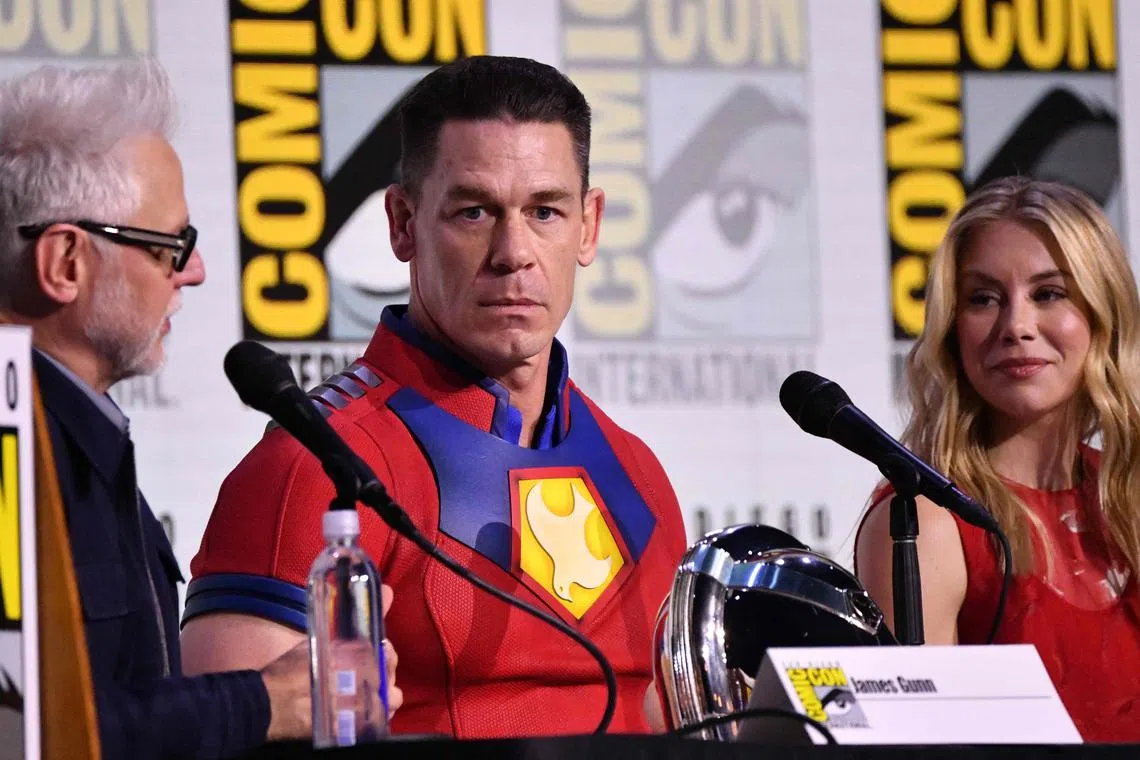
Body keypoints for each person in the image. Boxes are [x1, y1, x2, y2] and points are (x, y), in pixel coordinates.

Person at [180, 55, 688, 738]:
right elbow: (219, 739)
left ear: (589, 226)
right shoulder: (309, 472)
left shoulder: (640, 476)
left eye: (545, 211)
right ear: (402, 223)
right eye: (474, 211)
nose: (514, 252)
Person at [0, 59, 381, 758]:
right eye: (171, 246)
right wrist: (263, 703)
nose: (195, 271)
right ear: (64, 263)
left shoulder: (79, 436)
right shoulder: (11, 452)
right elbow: (23, 730)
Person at [854, 176, 1140, 742]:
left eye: (1049, 293)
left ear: (1102, 312)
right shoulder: (923, 518)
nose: (1016, 327)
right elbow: (918, 746)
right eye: (983, 298)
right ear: (951, 330)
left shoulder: (1129, 494)